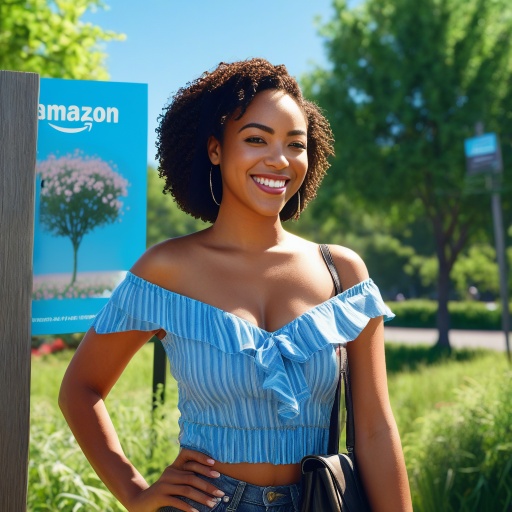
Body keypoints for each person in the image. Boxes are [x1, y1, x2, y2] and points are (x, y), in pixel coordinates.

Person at [59, 58, 412, 512]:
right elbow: (80, 389)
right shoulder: (166, 269)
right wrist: (134, 493)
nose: (279, 160)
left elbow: (376, 430)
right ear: (214, 149)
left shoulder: (342, 273)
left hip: (318, 501)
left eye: (295, 144)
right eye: (256, 139)